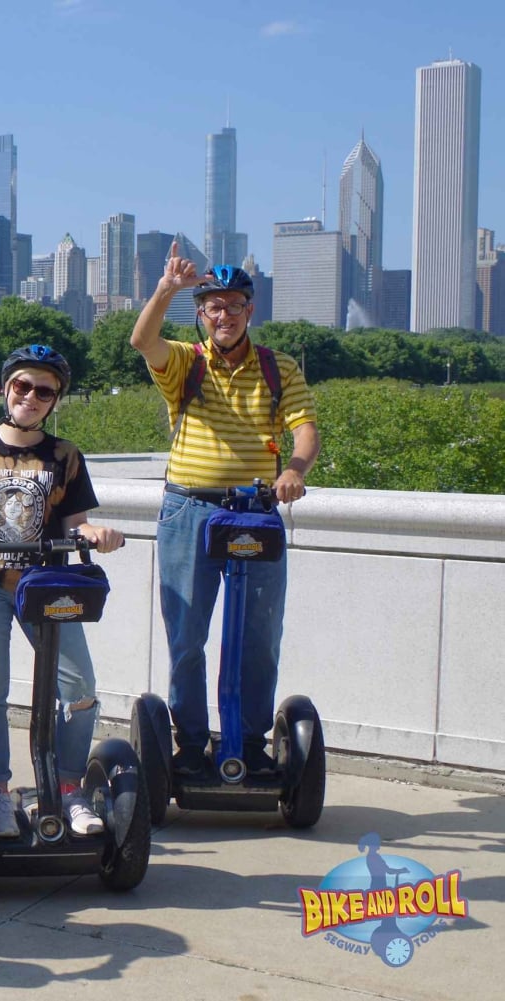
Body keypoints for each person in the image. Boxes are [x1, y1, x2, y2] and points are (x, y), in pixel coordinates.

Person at [129, 243, 320, 778]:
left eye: (234, 306)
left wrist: (294, 471)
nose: (224, 315)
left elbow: (305, 430)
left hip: (256, 511)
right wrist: (168, 286)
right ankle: (190, 746)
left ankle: (250, 743)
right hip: (188, 509)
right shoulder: (186, 362)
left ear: (249, 311)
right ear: (202, 313)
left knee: (258, 636)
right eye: (214, 306)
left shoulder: (276, 367)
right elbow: (142, 340)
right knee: (187, 635)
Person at [0, 345, 123, 837]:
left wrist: (97, 534)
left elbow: (78, 523)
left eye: (44, 390)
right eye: (22, 386)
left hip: (44, 584)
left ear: (55, 400)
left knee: (79, 688)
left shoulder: (65, 456)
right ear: (5, 388)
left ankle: (70, 789)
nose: (30, 396)